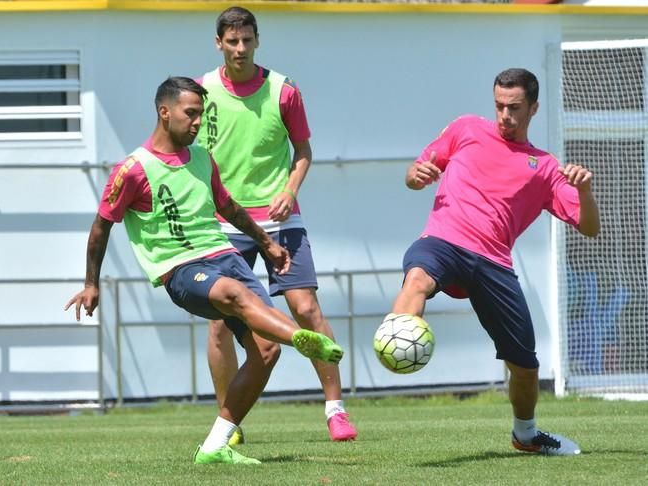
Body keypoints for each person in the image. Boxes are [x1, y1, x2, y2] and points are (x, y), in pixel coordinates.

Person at [64, 76, 344, 465]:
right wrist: (91, 283)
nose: (197, 123)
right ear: (165, 112)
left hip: (223, 255)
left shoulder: (201, 159)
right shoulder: (131, 170)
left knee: (265, 351)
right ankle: (302, 336)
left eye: (200, 115)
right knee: (234, 294)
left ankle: (216, 444)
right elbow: (101, 227)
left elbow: (228, 209)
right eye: (190, 113)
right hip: (181, 269)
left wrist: (266, 243)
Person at [391, 68, 600, 456]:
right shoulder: (465, 128)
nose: (505, 115)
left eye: (515, 107)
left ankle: (526, 434)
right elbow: (415, 172)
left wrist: (584, 192)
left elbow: (589, 228)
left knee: (525, 366)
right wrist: (413, 176)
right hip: (443, 240)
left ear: (533, 108)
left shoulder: (546, 168)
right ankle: (395, 342)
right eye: (499, 106)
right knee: (417, 277)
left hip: (493, 263)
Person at [195, 6, 357, 443]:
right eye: (232, 41)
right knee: (217, 324)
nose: (240, 48)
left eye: (247, 40)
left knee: (304, 308)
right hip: (222, 223)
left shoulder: (283, 90)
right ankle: (228, 423)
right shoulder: (201, 91)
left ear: (257, 40)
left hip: (280, 217)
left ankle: (335, 409)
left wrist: (289, 189)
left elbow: (303, 152)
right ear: (219, 44)